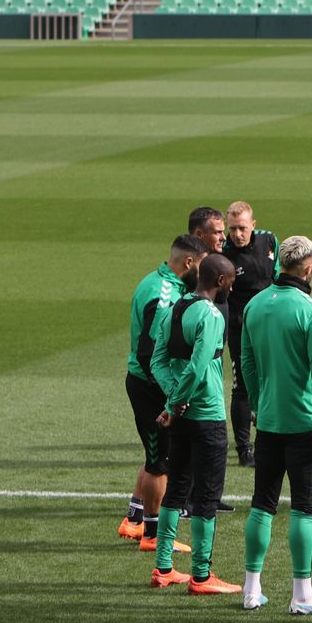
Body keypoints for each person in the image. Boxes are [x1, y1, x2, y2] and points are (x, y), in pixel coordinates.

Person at [240, 235, 312, 615]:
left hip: (268, 424)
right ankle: (302, 593)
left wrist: (257, 405)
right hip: (304, 424)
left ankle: (251, 589)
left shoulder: (254, 305)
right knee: (303, 508)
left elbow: (246, 365)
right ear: (309, 268)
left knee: (262, 505)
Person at [147, 253, 239, 594]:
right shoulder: (211, 315)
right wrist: (176, 402)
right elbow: (199, 367)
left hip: (181, 419)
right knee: (206, 496)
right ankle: (201, 575)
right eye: (231, 283)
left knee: (176, 490)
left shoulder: (173, 309)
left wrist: (173, 399)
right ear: (220, 281)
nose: (232, 288)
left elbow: (156, 361)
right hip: (207, 416)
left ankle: (163, 568)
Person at [119, 234, 208, 546]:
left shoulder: (158, 281)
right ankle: (153, 536)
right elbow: (149, 354)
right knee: (161, 464)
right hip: (150, 387)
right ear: (189, 262)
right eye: (201, 265)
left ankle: (134, 520)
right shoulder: (164, 297)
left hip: (145, 383)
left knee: (154, 455)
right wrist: (170, 395)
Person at [223, 202, 277, 470]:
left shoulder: (269, 240)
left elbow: (279, 275)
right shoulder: (222, 253)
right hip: (240, 330)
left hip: (271, 325)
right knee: (241, 386)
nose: (237, 234)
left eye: (242, 228)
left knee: (274, 379)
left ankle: (273, 436)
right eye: (232, 228)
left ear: (253, 225)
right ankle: (244, 448)